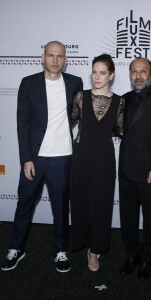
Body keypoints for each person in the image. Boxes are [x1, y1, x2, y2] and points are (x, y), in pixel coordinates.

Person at [1, 41, 83, 273]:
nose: (55, 60)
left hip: (62, 157)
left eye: (59, 56)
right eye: (50, 55)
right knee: (24, 204)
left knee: (60, 207)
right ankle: (16, 248)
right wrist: (26, 159)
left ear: (66, 60)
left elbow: (78, 114)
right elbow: (22, 123)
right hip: (35, 158)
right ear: (43, 57)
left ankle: (60, 250)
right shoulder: (28, 83)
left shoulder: (75, 83)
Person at [118, 57, 151, 280]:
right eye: (134, 71)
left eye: (143, 71)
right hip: (126, 171)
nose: (138, 75)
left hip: (150, 173)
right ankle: (132, 255)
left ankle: (148, 260)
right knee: (127, 219)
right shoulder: (123, 99)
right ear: (130, 74)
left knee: (150, 220)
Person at [70, 54, 124, 272]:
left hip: (104, 159)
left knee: (102, 205)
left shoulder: (120, 101)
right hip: (81, 157)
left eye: (102, 72)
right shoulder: (80, 97)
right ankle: (82, 241)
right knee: (81, 201)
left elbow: (122, 130)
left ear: (111, 75)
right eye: (94, 71)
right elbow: (67, 122)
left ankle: (95, 250)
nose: (97, 76)